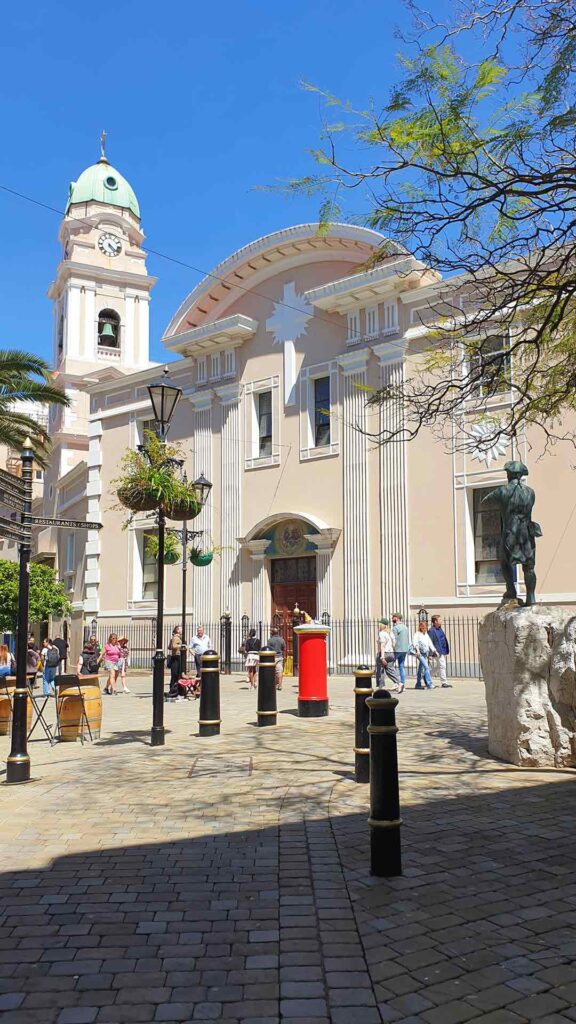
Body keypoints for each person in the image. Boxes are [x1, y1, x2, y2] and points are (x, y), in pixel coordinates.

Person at [481, 460, 542, 606]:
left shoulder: (502, 491)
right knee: (529, 566)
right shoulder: (530, 492)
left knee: (504, 561)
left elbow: (484, 502)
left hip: (511, 532)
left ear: (509, 474)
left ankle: (511, 591)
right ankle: (531, 597)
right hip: (527, 533)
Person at [376, 618, 402, 691]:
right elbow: (394, 643)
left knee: (380, 670)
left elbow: (382, 645)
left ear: (382, 625)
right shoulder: (390, 633)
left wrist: (382, 657)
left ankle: (381, 687)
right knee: (390, 670)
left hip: (384, 653)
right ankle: (399, 683)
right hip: (391, 653)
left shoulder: (381, 633)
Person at [411, 621, 436, 690]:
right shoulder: (417, 634)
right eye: (422, 627)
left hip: (425, 653)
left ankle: (418, 684)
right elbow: (415, 642)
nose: (424, 628)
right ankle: (429, 684)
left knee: (420, 669)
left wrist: (434, 650)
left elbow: (430, 643)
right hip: (420, 653)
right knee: (426, 667)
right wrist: (417, 650)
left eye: (425, 627)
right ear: (420, 627)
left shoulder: (426, 634)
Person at [428, 615, 451, 688]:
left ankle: (427, 676)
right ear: (435, 622)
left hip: (442, 650)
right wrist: (430, 654)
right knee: (442, 665)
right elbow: (429, 642)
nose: (441, 621)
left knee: (439, 666)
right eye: (439, 620)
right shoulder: (431, 631)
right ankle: (444, 682)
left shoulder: (440, 629)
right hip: (436, 651)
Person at [392, 613, 410, 691]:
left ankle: (397, 683)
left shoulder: (395, 628)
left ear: (397, 618)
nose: (392, 618)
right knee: (401, 666)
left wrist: (392, 648)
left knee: (389, 665)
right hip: (405, 649)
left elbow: (394, 639)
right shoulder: (405, 627)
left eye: (393, 617)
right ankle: (402, 684)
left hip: (397, 649)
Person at [168, 626, 183, 698]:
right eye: (180, 629)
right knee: (175, 674)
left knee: (176, 674)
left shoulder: (176, 637)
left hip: (177, 657)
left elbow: (169, 646)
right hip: (176, 657)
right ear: (177, 630)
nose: (182, 630)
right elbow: (173, 646)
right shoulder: (176, 637)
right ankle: (173, 690)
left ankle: (175, 690)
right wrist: (182, 646)